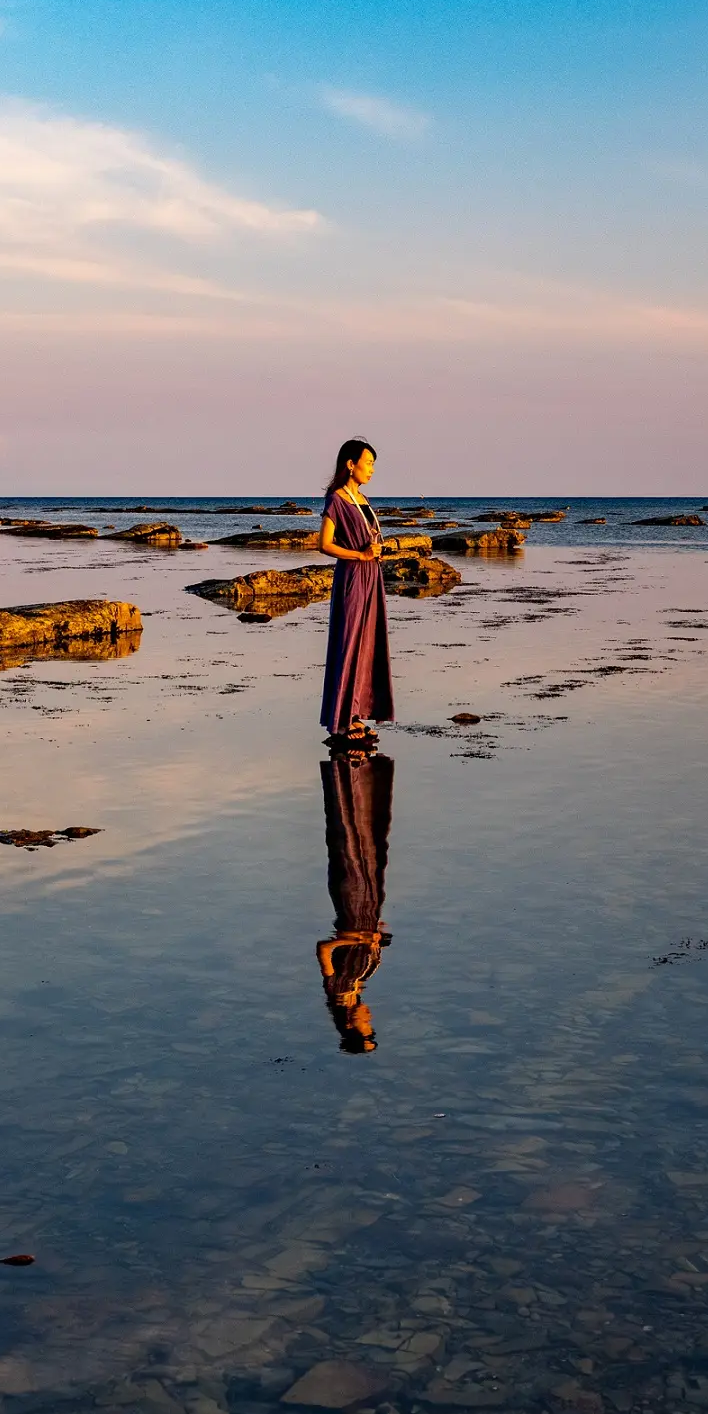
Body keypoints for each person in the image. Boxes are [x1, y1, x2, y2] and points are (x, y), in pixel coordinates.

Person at [315, 740, 393, 1054]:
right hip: (369, 909)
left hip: (351, 908)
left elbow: (324, 948)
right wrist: (375, 937)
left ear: (351, 1024)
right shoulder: (357, 987)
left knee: (351, 850)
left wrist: (356, 939)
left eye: (367, 1026)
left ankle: (346, 770)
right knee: (371, 851)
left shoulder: (338, 991)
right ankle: (359, 769)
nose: (370, 1018)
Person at [318, 437, 394, 738]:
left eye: (374, 464)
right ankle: (343, 718)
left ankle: (358, 711)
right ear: (351, 464)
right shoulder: (337, 499)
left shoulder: (362, 500)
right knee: (348, 644)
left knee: (368, 645)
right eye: (369, 463)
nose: (372, 469)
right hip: (352, 577)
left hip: (371, 577)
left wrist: (375, 552)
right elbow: (324, 544)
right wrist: (360, 555)